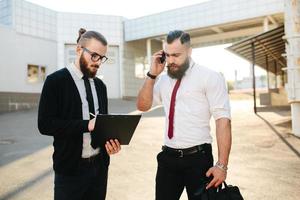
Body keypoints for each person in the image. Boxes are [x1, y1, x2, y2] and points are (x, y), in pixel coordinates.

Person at [136, 30, 232, 200]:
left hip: (199, 160)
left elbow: (222, 121)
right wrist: (152, 75)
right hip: (168, 158)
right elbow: (143, 106)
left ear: (189, 51)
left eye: (176, 55)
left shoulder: (209, 77)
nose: (170, 60)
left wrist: (222, 166)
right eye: (167, 55)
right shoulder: (163, 80)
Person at [38, 28, 121, 200]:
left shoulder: (100, 86)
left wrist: (110, 143)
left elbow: (100, 125)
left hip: (99, 169)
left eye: (102, 58)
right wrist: (86, 125)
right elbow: (45, 124)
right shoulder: (55, 81)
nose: (98, 62)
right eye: (94, 56)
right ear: (78, 49)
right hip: (70, 172)